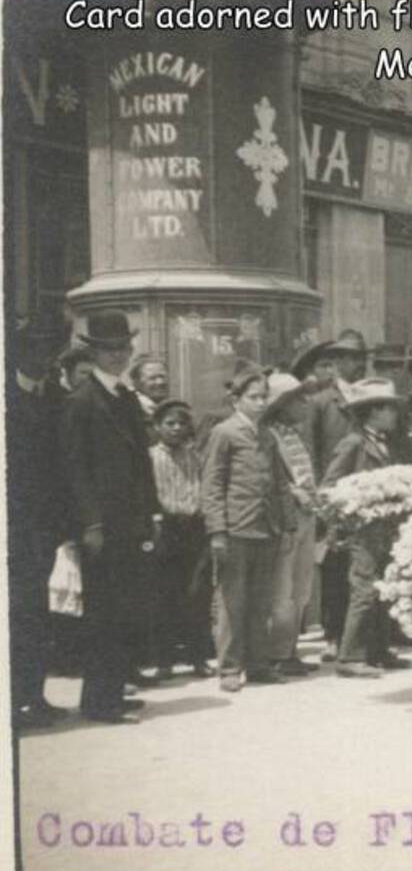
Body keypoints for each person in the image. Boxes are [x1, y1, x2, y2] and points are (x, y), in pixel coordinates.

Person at [60, 310, 162, 724]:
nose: (117, 356)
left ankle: (113, 690)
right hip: (102, 525)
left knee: (125, 609)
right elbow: (73, 469)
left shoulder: (125, 398)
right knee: (103, 613)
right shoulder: (81, 401)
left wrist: (153, 511)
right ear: (95, 352)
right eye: (108, 350)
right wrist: (91, 524)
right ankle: (99, 702)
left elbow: (142, 463)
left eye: (123, 348)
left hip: (132, 520)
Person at [201, 364, 295, 692]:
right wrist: (217, 531)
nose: (260, 403)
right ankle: (229, 667)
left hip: (266, 528)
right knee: (232, 601)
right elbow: (212, 484)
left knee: (261, 601)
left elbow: (280, 482)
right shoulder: (224, 433)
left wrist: (287, 523)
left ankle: (258, 664)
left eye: (264, 397)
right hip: (236, 529)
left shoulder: (267, 434)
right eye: (253, 397)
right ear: (236, 400)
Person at [324, 378, 412, 677]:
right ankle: (349, 657)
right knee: (364, 590)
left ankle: (378, 651)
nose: (394, 415)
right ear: (373, 412)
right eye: (389, 409)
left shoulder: (388, 443)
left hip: (385, 528)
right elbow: (329, 486)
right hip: (363, 530)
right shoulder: (353, 443)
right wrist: (347, 519)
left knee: (383, 589)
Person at [8, 321, 71, 728]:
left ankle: (34, 694)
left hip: (44, 528)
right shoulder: (6, 397)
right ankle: (11, 702)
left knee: (37, 613)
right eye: (35, 350)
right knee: (14, 614)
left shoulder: (59, 398)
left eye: (50, 350)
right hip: (12, 525)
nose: (43, 358)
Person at [306, 329, 371, 663]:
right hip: (336, 490)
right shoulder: (320, 401)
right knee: (334, 563)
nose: (355, 365)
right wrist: (321, 494)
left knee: (365, 565)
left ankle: (363, 638)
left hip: (369, 489)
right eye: (348, 359)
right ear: (335, 363)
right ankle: (333, 635)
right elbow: (313, 449)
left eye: (360, 358)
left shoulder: (372, 396)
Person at [261, 372, 321, 678]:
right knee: (282, 588)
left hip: (305, 514)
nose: (304, 404)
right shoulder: (268, 435)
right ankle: (276, 652)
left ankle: (289, 649)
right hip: (286, 517)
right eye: (298, 399)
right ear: (283, 404)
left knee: (301, 586)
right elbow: (269, 478)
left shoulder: (295, 434)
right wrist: (291, 491)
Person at [148, 400, 213, 680]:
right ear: (157, 427)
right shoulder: (149, 457)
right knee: (165, 595)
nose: (176, 429)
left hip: (194, 529)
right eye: (169, 424)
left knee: (196, 594)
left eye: (181, 423)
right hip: (165, 528)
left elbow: (205, 490)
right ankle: (165, 660)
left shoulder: (195, 457)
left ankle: (198, 657)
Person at [130, 355, 170, 440]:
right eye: (152, 378)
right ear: (136, 382)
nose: (160, 382)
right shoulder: (130, 410)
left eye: (162, 376)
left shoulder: (171, 409)